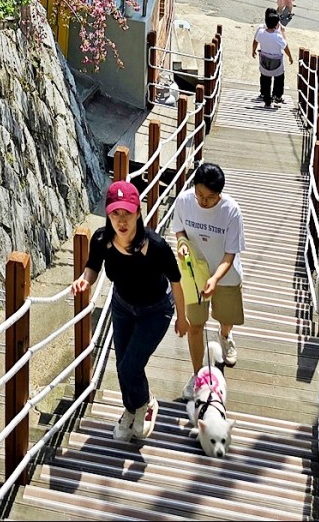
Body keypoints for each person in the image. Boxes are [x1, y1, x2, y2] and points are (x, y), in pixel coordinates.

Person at [72, 180, 187, 443]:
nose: (121, 220)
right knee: (123, 364)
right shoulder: (101, 239)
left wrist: (183, 317)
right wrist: (84, 280)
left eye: (127, 213)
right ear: (108, 214)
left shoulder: (156, 247)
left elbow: (177, 281)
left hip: (156, 311)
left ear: (138, 212)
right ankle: (131, 408)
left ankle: (144, 404)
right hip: (122, 306)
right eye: (115, 213)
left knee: (129, 367)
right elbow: (92, 267)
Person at [172, 161, 247, 380]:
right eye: (200, 195)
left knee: (226, 317)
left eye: (210, 198)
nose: (204, 202)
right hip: (194, 274)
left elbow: (230, 254)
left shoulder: (231, 211)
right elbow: (179, 230)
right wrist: (183, 243)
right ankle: (198, 375)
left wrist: (215, 279)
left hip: (225, 276)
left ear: (219, 194)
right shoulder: (184, 201)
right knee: (195, 325)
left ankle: (224, 335)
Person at [252, 6, 293, 107]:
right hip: (277, 62)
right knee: (279, 78)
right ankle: (277, 96)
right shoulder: (278, 36)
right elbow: (285, 46)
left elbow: (255, 41)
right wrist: (290, 57)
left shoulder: (261, 32)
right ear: (276, 25)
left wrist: (253, 50)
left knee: (265, 78)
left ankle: (265, 96)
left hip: (264, 61)